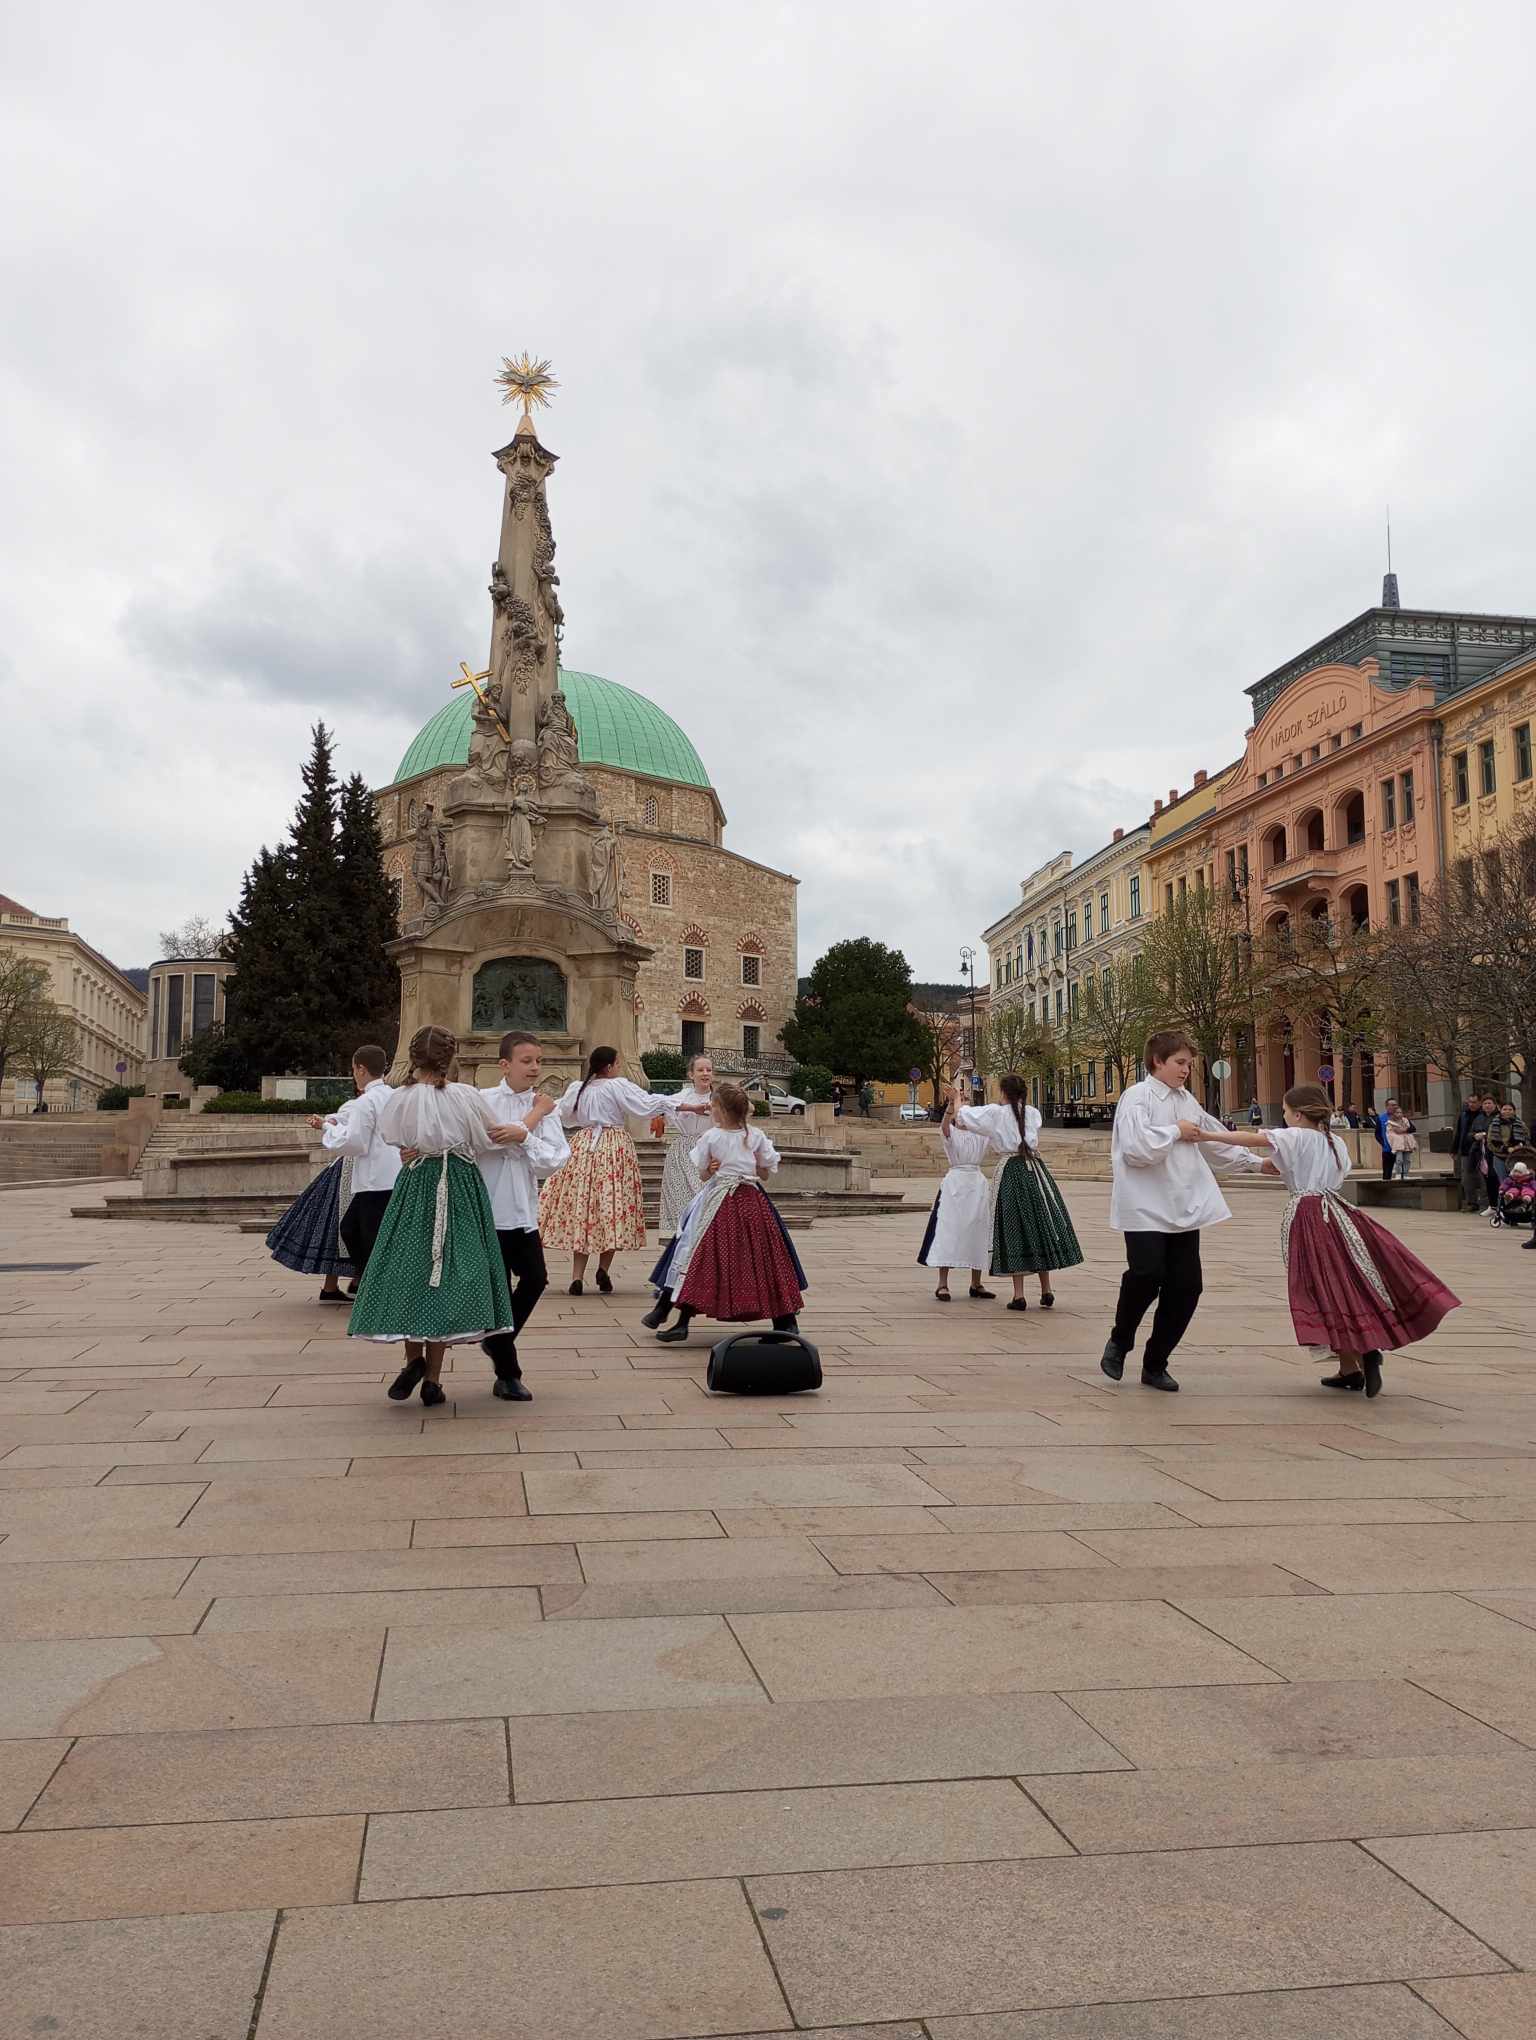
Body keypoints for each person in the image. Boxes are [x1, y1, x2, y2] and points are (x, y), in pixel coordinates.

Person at [1184, 1082, 1459, 1398]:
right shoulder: (1335, 1142)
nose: (1284, 1117)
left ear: (1298, 1115)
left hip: (1309, 1213)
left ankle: (1363, 1352)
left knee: (1320, 1286)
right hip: (1338, 1211)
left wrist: (1207, 1135)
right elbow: (1298, 1166)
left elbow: (1254, 1139)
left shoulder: (1297, 1136)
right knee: (1343, 1281)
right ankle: (1350, 1368)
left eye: (1286, 1112)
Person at [347, 1025, 513, 1407]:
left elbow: (392, 1137)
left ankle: (413, 1361)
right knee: (447, 1275)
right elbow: (488, 1138)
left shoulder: (400, 1098)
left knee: (412, 1268)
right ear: (450, 1058)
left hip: (416, 1183)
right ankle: (433, 1380)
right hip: (458, 1185)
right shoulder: (465, 1096)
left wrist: (415, 1148)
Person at [1101, 1027, 1265, 1391]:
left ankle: (1156, 1362)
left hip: (1183, 1205)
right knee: (1146, 1273)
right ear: (1157, 1061)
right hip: (1144, 1205)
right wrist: (1175, 1131)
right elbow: (1136, 1149)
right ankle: (1120, 1340)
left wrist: (1255, 1163)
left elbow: (1212, 1139)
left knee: (1187, 1287)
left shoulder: (1187, 1101)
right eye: (1179, 1062)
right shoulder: (1137, 1097)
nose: (1186, 1070)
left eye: (1189, 1064)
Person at [645, 1082, 806, 1342]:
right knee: (765, 1256)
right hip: (752, 1201)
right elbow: (765, 1174)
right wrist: (754, 1164)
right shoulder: (755, 1135)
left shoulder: (711, 1136)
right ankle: (786, 1322)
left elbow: (703, 1174)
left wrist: (711, 1169)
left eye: (714, 1106)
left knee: (696, 1253)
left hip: (719, 1200)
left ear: (721, 1110)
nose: (711, 1110)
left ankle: (681, 1321)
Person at [476, 1031, 570, 1402]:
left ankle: (498, 1339)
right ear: (505, 1064)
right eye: (526, 1061)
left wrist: (524, 1137)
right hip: (488, 1209)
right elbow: (485, 1139)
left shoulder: (546, 1107)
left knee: (535, 1278)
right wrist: (523, 1129)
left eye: (538, 1061)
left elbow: (554, 1159)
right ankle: (508, 1374)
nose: (534, 1068)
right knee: (498, 1288)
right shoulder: (484, 1100)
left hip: (523, 1211)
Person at [538, 1046, 675, 1294]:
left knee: (584, 1208)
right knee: (612, 1207)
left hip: (583, 1146)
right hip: (614, 1147)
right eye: (618, 1063)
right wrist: (680, 1104)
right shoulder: (617, 1086)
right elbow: (645, 1104)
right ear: (610, 1067)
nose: (619, 1067)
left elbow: (562, 1113)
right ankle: (603, 1269)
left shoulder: (578, 1088)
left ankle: (577, 1277)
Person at [954, 1073, 1083, 1311]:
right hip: (1035, 1170)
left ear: (1003, 1092)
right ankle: (1046, 1290)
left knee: (1015, 1228)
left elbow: (961, 1119)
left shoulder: (996, 1113)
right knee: (1040, 1225)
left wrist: (956, 1100)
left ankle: (1019, 1295)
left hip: (1011, 1171)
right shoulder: (1032, 1113)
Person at [311, 1045, 400, 1288]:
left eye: (353, 1070)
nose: (354, 1075)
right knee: (354, 1229)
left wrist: (327, 1128)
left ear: (361, 1069)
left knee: (361, 1234)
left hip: (373, 1180)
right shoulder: (393, 1096)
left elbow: (354, 1142)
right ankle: (369, 1281)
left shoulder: (366, 1101)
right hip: (391, 1177)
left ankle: (374, 1285)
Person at [640, 1054, 717, 1329]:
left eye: (709, 1069)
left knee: (703, 1215)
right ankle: (668, 1277)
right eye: (700, 1069)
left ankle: (695, 1276)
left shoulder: (719, 1097)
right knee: (679, 1216)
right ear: (691, 1074)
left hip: (709, 1152)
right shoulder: (680, 1097)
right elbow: (658, 1105)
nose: (705, 1074)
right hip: (683, 1152)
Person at [916, 1081, 997, 1302]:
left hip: (976, 1183)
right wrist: (951, 1104)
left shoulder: (981, 1134)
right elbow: (944, 1125)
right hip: (955, 1183)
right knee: (948, 1229)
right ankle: (942, 1284)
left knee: (978, 1230)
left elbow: (994, 1124)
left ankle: (976, 1283)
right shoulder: (950, 1132)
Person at [1486, 1102, 1530, 1192]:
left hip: (1516, 1157)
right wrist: (1506, 1149)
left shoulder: (1521, 1124)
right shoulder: (1494, 1124)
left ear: (1514, 1111)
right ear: (1500, 1110)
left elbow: (1527, 1139)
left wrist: (1520, 1146)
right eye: (1505, 1109)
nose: (1507, 1111)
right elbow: (1490, 1143)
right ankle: (1505, 1200)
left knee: (1518, 1182)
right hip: (1500, 1157)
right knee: (1504, 1183)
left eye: (1510, 1109)